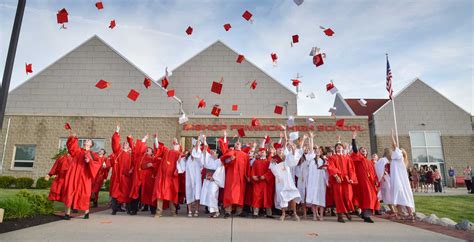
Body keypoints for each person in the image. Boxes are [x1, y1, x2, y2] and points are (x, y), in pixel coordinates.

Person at [61, 131, 101, 220]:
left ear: (91, 144)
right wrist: (73, 138)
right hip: (74, 174)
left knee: (84, 194)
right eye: (86, 140)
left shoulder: (93, 154)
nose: (86, 141)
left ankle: (86, 212)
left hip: (85, 176)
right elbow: (71, 147)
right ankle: (67, 214)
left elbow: (98, 164)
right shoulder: (78, 150)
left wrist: (89, 161)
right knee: (70, 192)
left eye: (88, 141)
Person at [269, 131, 304, 222]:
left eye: (281, 149)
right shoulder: (274, 160)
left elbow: (293, 161)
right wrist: (278, 176)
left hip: (289, 180)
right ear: (276, 151)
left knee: (292, 195)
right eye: (279, 150)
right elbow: (273, 169)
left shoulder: (287, 158)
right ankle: (283, 214)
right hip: (280, 181)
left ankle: (294, 213)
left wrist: (292, 150)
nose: (280, 150)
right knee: (282, 197)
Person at [219, 131, 251, 218]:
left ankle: (239, 211)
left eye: (239, 143)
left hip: (241, 178)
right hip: (231, 177)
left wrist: (248, 176)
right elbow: (224, 161)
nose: (237, 144)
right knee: (229, 193)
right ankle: (228, 211)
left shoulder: (245, 155)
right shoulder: (230, 152)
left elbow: (248, 166)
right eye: (236, 143)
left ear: (241, 146)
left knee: (240, 194)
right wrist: (230, 159)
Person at [326, 138, 357, 223]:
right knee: (339, 197)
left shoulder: (347, 158)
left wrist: (351, 178)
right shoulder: (332, 158)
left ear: (343, 148)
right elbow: (331, 167)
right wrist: (336, 176)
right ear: (335, 149)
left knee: (348, 197)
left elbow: (351, 168)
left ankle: (346, 211)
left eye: (340, 147)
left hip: (346, 180)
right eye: (337, 147)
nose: (339, 148)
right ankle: (340, 216)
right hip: (337, 180)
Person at [350, 131, 378, 223]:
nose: (363, 150)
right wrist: (353, 139)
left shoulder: (369, 161)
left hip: (370, 182)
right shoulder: (359, 158)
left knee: (370, 197)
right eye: (361, 149)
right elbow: (355, 150)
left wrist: (375, 181)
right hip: (362, 182)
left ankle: (364, 214)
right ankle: (366, 216)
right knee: (367, 197)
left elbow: (373, 173)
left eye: (364, 149)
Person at [152, 135, 182, 217]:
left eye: (177, 144)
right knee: (160, 194)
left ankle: (173, 212)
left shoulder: (180, 154)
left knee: (171, 194)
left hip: (171, 178)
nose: (176, 145)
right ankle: (158, 212)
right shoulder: (167, 151)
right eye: (175, 144)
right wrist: (156, 139)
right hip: (162, 177)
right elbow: (159, 147)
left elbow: (182, 165)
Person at [389, 130, 415, 221]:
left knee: (399, 197)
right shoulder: (401, 161)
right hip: (401, 182)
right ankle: (406, 214)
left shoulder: (399, 157)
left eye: (399, 150)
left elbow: (394, 145)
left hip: (398, 181)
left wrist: (392, 135)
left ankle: (405, 214)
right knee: (402, 197)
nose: (396, 150)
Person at [110, 125, 135, 215]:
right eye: (124, 144)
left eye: (127, 144)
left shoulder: (131, 154)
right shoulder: (118, 152)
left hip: (127, 176)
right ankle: (114, 209)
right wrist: (117, 131)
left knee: (126, 193)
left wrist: (131, 170)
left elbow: (134, 164)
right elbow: (115, 143)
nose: (125, 145)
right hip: (118, 176)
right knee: (115, 193)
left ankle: (128, 209)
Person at [177, 136, 204, 217]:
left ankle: (196, 211)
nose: (193, 151)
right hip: (189, 180)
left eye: (194, 150)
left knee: (197, 195)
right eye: (191, 150)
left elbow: (201, 158)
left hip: (197, 179)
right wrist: (179, 160)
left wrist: (198, 141)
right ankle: (189, 211)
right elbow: (181, 167)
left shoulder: (198, 159)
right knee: (189, 194)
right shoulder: (186, 159)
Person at [250, 138, 275, 219]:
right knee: (256, 197)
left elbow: (271, 171)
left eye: (263, 151)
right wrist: (253, 176)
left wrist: (265, 176)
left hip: (265, 183)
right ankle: (255, 213)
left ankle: (269, 213)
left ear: (266, 153)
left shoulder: (269, 162)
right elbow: (253, 171)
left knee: (267, 198)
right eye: (261, 151)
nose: (262, 152)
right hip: (257, 182)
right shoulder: (255, 162)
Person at [305, 134, 328, 221]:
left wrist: (326, 169)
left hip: (321, 182)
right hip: (312, 182)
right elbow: (311, 149)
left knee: (321, 198)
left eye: (319, 150)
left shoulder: (324, 160)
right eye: (316, 150)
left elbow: (327, 171)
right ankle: (315, 215)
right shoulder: (311, 159)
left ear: (321, 152)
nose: (317, 151)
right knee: (313, 199)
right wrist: (311, 138)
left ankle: (321, 215)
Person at [200, 140, 225, 218]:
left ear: (218, 154)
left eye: (214, 151)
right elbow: (204, 154)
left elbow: (220, 171)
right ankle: (212, 211)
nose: (213, 152)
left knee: (213, 195)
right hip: (207, 180)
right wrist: (204, 141)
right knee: (208, 195)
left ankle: (216, 211)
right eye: (213, 150)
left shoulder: (219, 162)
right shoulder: (209, 159)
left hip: (214, 181)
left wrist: (214, 178)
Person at [375, 148, 395, 216]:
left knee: (389, 194)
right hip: (384, 179)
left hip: (388, 179)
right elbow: (379, 168)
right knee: (387, 194)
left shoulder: (389, 161)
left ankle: (393, 210)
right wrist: (382, 175)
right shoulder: (383, 160)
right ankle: (393, 210)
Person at [139, 147, 158, 215]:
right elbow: (141, 165)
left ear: (152, 152)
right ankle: (145, 206)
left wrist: (152, 164)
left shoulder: (154, 158)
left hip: (151, 178)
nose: (147, 150)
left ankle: (153, 209)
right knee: (144, 193)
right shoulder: (143, 157)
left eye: (149, 150)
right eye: (147, 149)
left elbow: (157, 165)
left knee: (150, 193)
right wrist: (147, 165)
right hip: (144, 178)